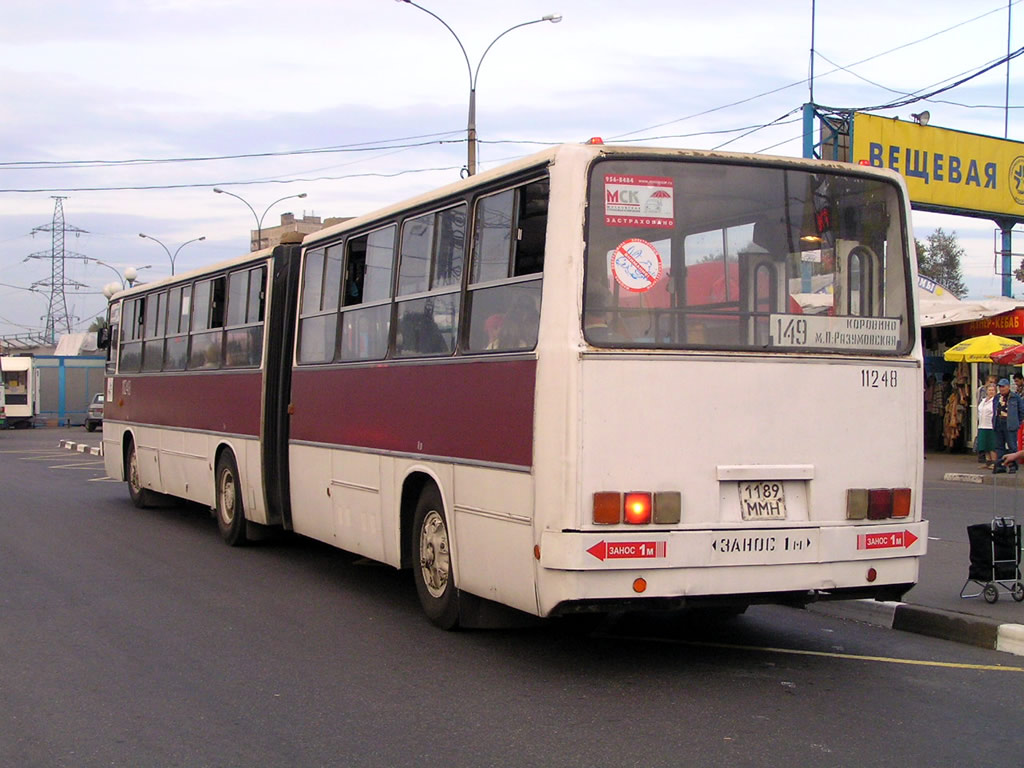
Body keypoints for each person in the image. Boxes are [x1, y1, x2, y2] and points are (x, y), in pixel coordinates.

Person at [992, 378, 1024, 473]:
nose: (1002, 389)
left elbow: (1021, 411)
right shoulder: (997, 397)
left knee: (1012, 446)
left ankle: (1012, 465)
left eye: (1003, 386)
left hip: (1010, 422)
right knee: (999, 446)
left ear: (1008, 387)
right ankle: (1001, 465)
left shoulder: (1015, 397)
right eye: (1000, 387)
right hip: (999, 422)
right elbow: (994, 409)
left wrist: (1017, 422)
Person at [977, 383, 998, 469]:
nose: (991, 392)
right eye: (989, 390)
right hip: (982, 425)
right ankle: (988, 462)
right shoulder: (983, 400)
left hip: (991, 426)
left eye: (993, 390)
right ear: (986, 391)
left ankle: (994, 462)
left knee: (992, 445)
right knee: (984, 445)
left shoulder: (996, 401)